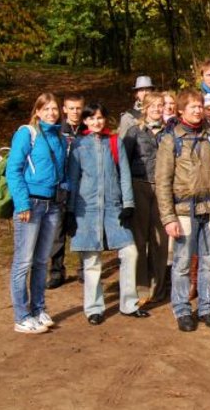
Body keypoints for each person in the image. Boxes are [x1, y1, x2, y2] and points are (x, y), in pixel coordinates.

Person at [156, 90, 210, 332]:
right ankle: (182, 309)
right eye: (191, 106)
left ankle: (206, 307)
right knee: (182, 262)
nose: (197, 110)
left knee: (209, 261)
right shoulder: (171, 139)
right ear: (181, 110)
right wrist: (168, 217)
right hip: (183, 210)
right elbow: (162, 182)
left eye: (199, 105)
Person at [67, 103, 149, 325]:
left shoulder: (114, 142)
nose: (96, 122)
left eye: (100, 118)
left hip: (114, 208)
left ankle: (129, 304)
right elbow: (74, 180)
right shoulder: (78, 145)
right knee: (92, 260)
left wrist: (128, 204)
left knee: (129, 252)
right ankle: (94, 308)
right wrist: (70, 211)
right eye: (92, 118)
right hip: (87, 211)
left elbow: (123, 173)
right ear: (84, 121)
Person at [7, 93, 68, 334]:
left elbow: (60, 172)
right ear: (38, 111)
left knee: (42, 261)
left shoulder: (60, 138)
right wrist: (21, 203)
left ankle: (38, 309)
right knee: (23, 261)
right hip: (30, 205)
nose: (52, 113)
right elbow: (14, 170)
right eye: (47, 109)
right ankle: (21, 316)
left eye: (55, 109)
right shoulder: (27, 133)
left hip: (52, 205)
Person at [122, 92, 169, 303]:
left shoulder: (171, 132)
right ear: (145, 108)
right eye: (153, 106)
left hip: (163, 188)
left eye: (161, 106)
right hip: (139, 185)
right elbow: (123, 162)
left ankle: (158, 289)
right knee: (139, 239)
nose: (157, 109)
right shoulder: (134, 132)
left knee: (160, 241)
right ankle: (140, 287)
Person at [47, 93, 84, 289]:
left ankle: (84, 269)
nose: (75, 112)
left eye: (78, 108)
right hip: (61, 185)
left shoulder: (87, 128)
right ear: (64, 109)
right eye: (71, 108)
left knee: (81, 228)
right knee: (57, 230)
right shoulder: (57, 131)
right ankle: (56, 271)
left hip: (83, 187)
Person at [118, 75, 155, 140]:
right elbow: (122, 143)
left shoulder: (161, 111)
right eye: (141, 90)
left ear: (152, 92)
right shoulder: (127, 117)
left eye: (147, 89)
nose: (145, 93)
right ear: (136, 94)